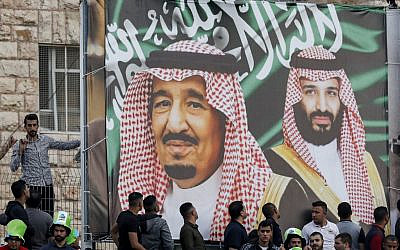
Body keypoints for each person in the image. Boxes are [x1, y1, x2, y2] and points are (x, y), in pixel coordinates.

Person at [118, 39, 308, 240]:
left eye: (194, 105)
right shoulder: (133, 202)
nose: (174, 124)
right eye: (162, 103)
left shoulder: (274, 195)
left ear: (226, 119)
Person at [265, 46, 387, 226]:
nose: (322, 106)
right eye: (310, 91)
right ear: (296, 98)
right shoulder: (271, 164)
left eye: (331, 93)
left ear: (342, 99)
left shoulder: (372, 166)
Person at [10, 113, 80, 216]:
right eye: (29, 125)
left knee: (49, 216)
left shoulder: (45, 140)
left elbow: (62, 145)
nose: (32, 128)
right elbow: (13, 167)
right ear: (25, 127)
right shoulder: (19, 144)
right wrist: (21, 151)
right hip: (32, 187)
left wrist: (80, 142)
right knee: (33, 217)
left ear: (38, 126)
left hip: (47, 185)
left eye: (34, 125)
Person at [5, 180, 34, 250]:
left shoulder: (14, 207)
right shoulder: (18, 210)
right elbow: (29, 230)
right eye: (27, 187)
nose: (29, 189)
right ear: (24, 191)